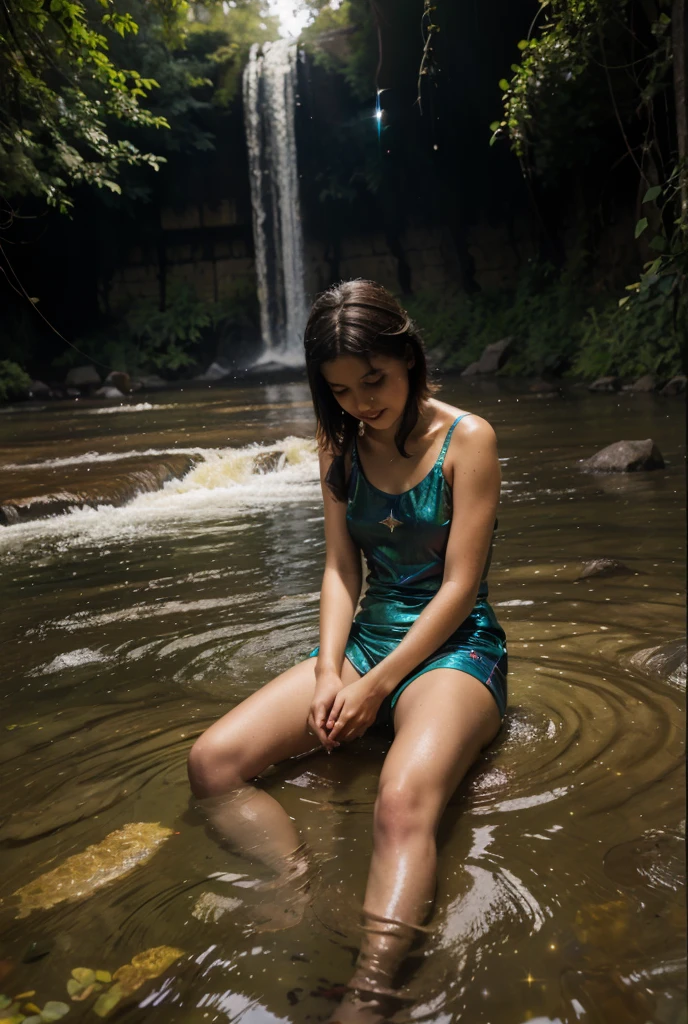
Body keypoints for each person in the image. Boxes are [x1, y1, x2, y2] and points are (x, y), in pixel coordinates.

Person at [187, 279, 508, 1020]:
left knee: (398, 805)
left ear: (409, 359)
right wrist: (333, 672)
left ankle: (371, 993)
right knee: (213, 764)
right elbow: (340, 568)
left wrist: (375, 689)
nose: (363, 402)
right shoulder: (339, 445)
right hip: (365, 645)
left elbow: (459, 587)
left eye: (375, 381)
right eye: (342, 389)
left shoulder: (470, 440)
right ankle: (290, 885)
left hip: (455, 652)